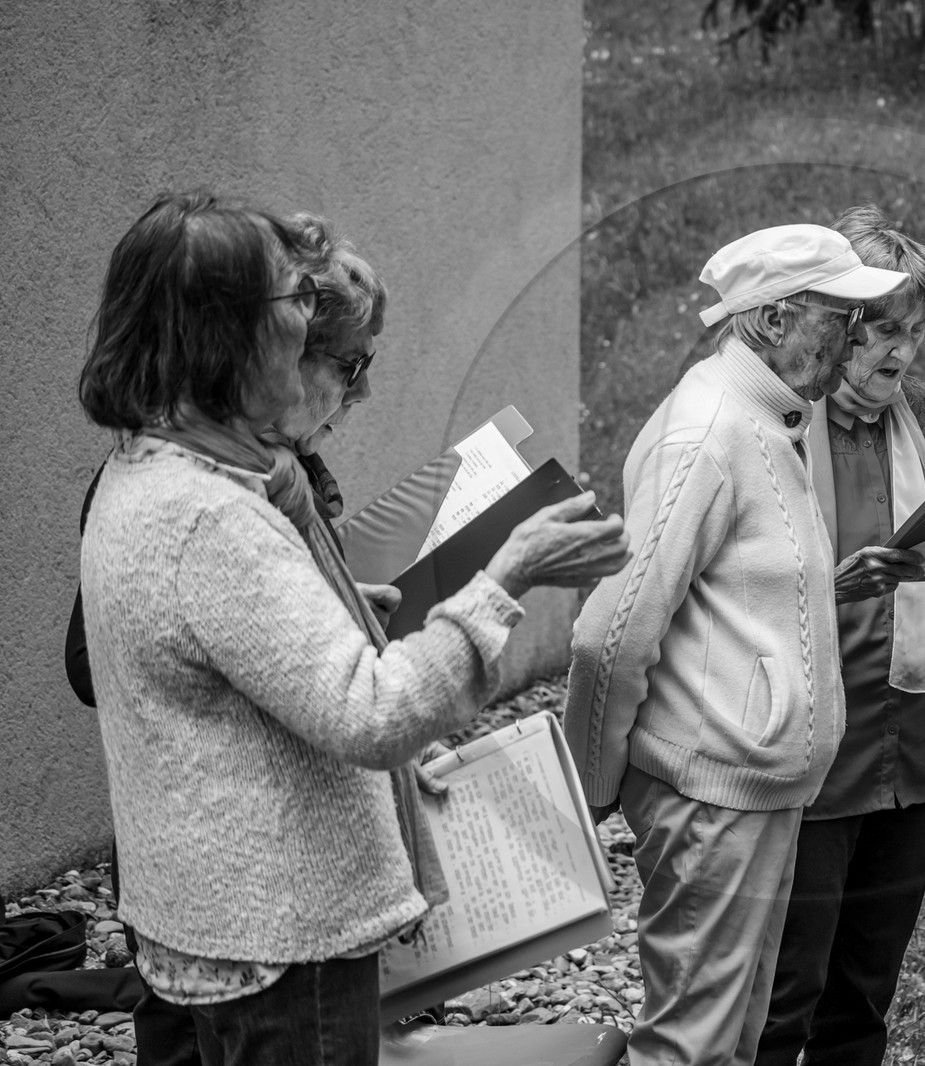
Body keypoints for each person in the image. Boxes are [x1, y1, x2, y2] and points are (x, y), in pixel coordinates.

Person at [76, 191, 630, 1066]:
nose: (306, 339)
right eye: (291, 315)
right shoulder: (210, 518)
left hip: (217, 922)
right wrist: (507, 575)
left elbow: (222, 664)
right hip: (281, 944)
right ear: (222, 339)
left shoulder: (150, 468)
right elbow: (371, 716)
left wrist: (319, 619)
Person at [564, 223, 909, 1066]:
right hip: (710, 794)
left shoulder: (769, 415)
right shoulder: (711, 431)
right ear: (773, 321)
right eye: (843, 316)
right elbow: (609, 633)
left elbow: (733, 596)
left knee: (735, 1037)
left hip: (752, 787)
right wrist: (592, 786)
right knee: (693, 1044)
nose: (859, 338)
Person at [754, 206, 925, 1066]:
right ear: (833, 324)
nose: (895, 354)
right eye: (876, 331)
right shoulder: (771, 422)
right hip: (808, 747)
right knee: (781, 995)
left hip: (915, 750)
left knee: (864, 996)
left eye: (913, 332)